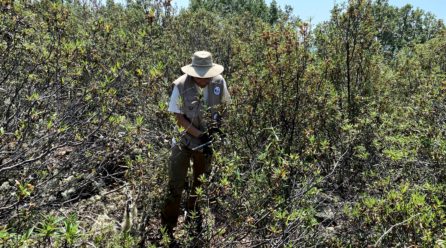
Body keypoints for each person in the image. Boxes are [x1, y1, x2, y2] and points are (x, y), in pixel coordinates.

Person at [161, 51, 231, 241]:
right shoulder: (181, 85)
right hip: (183, 142)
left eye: (206, 76)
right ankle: (167, 228)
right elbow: (178, 117)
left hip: (207, 143)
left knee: (200, 182)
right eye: (200, 76)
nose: (203, 80)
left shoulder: (219, 83)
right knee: (175, 184)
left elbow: (225, 107)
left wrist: (217, 131)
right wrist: (200, 135)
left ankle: (192, 216)